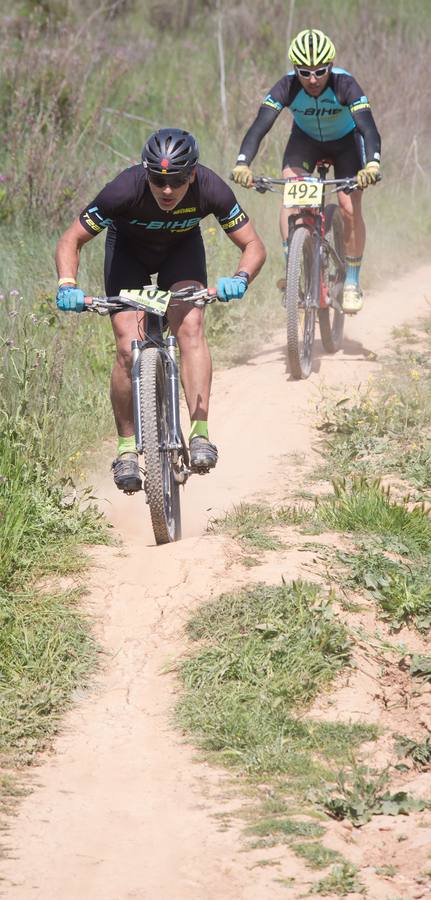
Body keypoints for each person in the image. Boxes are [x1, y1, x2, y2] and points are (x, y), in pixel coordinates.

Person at [55, 128, 266, 493]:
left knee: (191, 327)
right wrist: (67, 284)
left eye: (178, 181)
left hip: (181, 254)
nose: (167, 190)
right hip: (128, 256)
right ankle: (125, 450)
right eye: (158, 180)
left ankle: (200, 434)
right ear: (145, 172)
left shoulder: (211, 189)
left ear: (193, 174)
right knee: (127, 347)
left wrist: (241, 278)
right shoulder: (123, 190)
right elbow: (71, 239)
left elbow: (253, 245)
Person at [231, 28, 381, 314]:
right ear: (294, 70)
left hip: (346, 144)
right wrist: (243, 162)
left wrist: (372, 163)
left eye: (320, 71)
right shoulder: (286, 87)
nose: (312, 79)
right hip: (306, 142)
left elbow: (368, 128)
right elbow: (260, 126)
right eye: (304, 72)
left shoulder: (345, 84)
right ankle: (293, 268)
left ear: (331, 66)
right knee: (291, 195)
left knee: (349, 207)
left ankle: (351, 282)